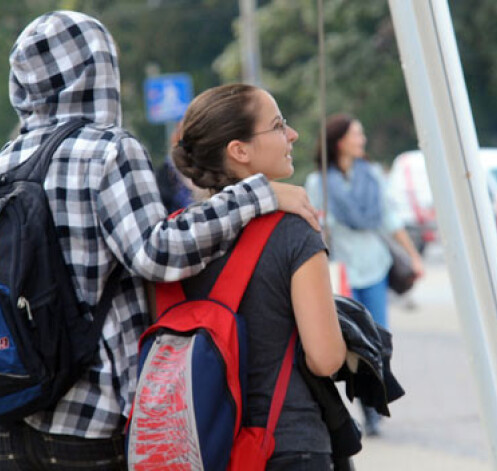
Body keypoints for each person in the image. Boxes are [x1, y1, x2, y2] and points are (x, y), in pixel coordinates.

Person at [0, 11, 318, 470]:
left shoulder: (8, 159)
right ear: (97, 69)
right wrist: (256, 194)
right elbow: (157, 253)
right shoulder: (109, 148)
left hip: (14, 412)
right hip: (92, 421)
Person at [172, 83, 346, 470]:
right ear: (240, 151)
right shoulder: (294, 232)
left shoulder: (176, 240)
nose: (292, 134)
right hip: (286, 443)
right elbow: (325, 358)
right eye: (279, 125)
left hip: (197, 447)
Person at [305, 113, 423, 435]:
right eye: (358, 134)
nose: (363, 140)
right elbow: (314, 229)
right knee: (348, 346)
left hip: (375, 266)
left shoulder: (371, 175)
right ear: (341, 140)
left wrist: (413, 256)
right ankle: (354, 407)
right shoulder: (319, 183)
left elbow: (389, 219)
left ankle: (373, 409)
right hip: (341, 272)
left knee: (376, 340)